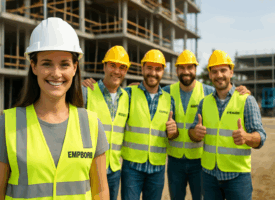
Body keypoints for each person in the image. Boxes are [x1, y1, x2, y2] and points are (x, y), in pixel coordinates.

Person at [0, 17, 109, 200]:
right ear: (33, 66)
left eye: (64, 64)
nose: (56, 73)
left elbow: (100, 191)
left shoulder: (91, 124)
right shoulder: (8, 124)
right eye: (47, 63)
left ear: (75, 68)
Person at [82, 49, 177, 200]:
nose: (153, 73)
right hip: (129, 168)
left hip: (152, 168)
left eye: (158, 69)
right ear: (142, 68)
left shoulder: (167, 99)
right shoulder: (128, 94)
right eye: (149, 68)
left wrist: (174, 132)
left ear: (163, 71)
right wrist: (82, 83)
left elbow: (173, 133)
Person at [162, 50, 251, 200]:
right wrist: (135, 86)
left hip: (200, 162)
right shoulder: (166, 92)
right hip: (174, 162)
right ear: (176, 70)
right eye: (182, 68)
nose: (186, 71)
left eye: (190, 67)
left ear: (195, 69)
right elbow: (149, 93)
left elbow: (226, 91)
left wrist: (240, 90)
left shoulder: (208, 92)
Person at [188, 50, 266, 200]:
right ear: (210, 74)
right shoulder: (204, 103)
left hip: (237, 178)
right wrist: (194, 133)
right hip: (209, 176)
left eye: (223, 70)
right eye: (214, 71)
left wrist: (246, 137)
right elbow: (192, 132)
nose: (219, 75)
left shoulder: (246, 100)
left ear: (231, 72)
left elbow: (260, 136)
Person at [81, 45, 130, 200]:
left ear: (126, 71)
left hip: (114, 170)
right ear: (104, 66)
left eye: (122, 67)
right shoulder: (87, 91)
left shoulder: (127, 97)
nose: (117, 71)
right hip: (89, 169)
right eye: (112, 65)